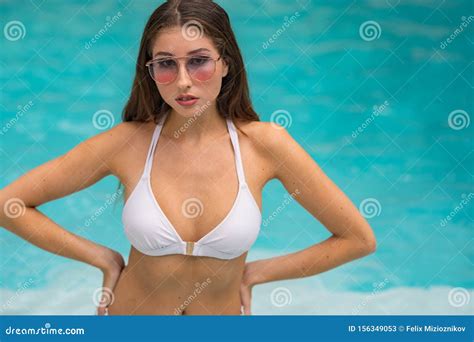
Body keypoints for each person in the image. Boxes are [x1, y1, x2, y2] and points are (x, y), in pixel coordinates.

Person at [0, 0, 376, 315]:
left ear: (226, 64)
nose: (182, 81)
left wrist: (257, 273)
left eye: (198, 61)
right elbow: (9, 204)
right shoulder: (127, 144)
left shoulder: (265, 145)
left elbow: (357, 238)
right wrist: (103, 258)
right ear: (150, 71)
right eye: (165, 64)